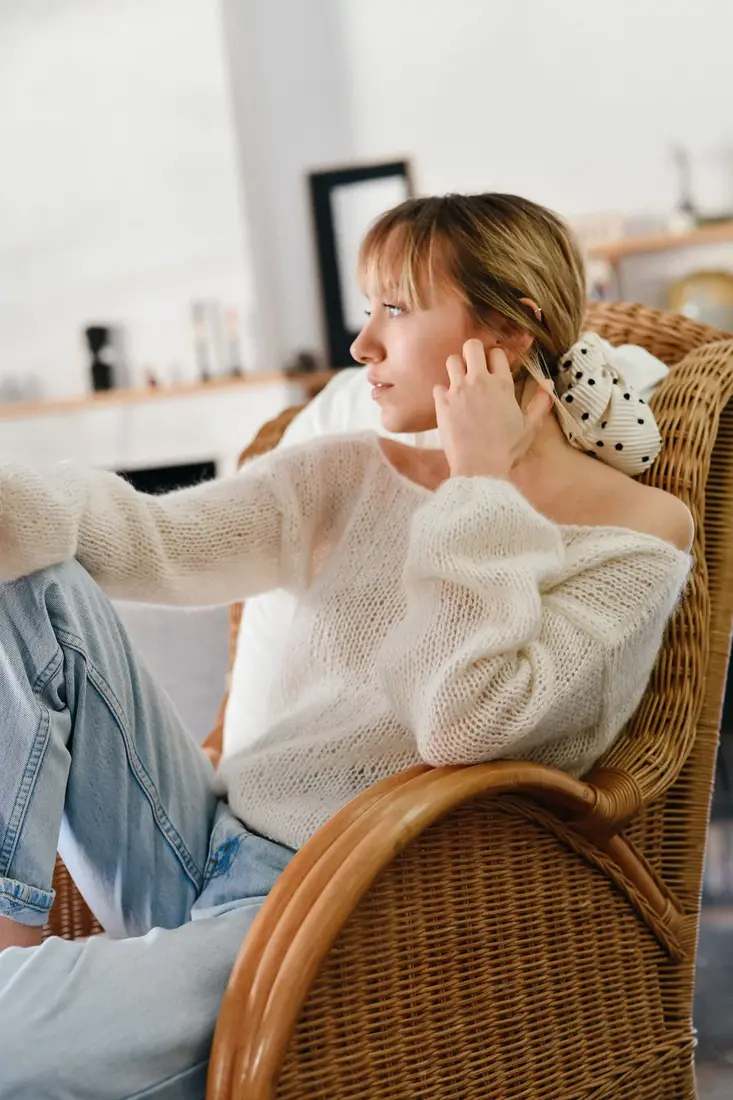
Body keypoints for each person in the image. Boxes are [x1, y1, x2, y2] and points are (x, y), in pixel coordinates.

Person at [0, 193, 693, 1098]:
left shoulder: (636, 534)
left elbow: (464, 722)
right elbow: (152, 539)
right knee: (33, 580)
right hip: (201, 836)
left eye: (393, 309)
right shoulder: (347, 472)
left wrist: (478, 487)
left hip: (340, 910)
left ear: (508, 331)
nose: (362, 345)